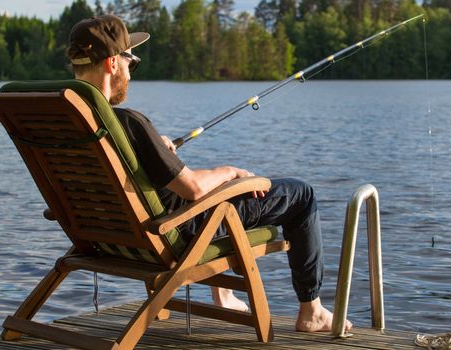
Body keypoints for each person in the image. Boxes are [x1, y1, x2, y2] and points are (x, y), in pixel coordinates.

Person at [66, 14, 352, 333]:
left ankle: (224, 292)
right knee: (300, 195)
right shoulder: (129, 123)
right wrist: (229, 172)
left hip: (104, 234)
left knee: (228, 196)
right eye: (131, 62)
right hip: (177, 230)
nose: (130, 74)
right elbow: (193, 189)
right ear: (112, 63)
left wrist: (155, 149)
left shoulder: (67, 124)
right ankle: (311, 311)